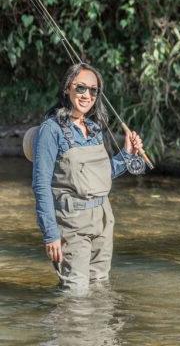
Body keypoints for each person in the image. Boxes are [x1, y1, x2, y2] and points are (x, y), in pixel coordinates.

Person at [32, 62, 143, 293]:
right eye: (81, 88)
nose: (87, 95)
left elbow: (103, 174)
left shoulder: (93, 128)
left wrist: (127, 154)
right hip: (71, 222)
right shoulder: (51, 130)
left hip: (103, 218)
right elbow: (41, 185)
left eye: (93, 90)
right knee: (75, 294)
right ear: (66, 89)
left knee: (100, 288)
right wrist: (51, 234)